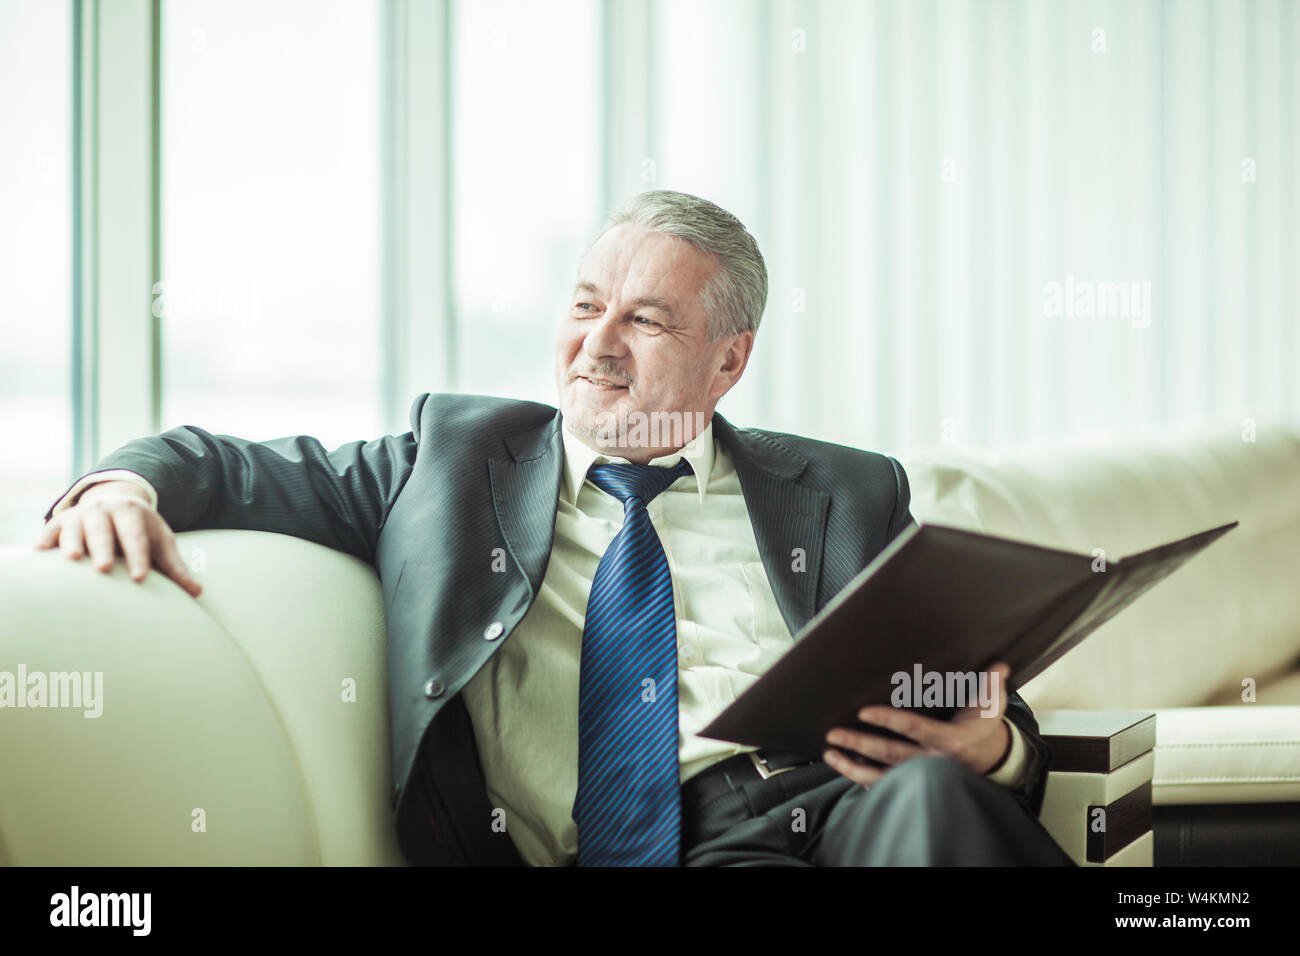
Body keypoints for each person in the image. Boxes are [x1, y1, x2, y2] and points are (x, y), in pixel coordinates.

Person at [35, 189, 1073, 866]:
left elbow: (978, 693)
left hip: (839, 811)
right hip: (629, 846)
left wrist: (991, 746)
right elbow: (221, 463)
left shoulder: (848, 489)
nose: (598, 344)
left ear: (728, 361)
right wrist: (117, 487)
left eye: (647, 318)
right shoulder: (450, 462)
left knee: (937, 803)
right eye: (586, 304)